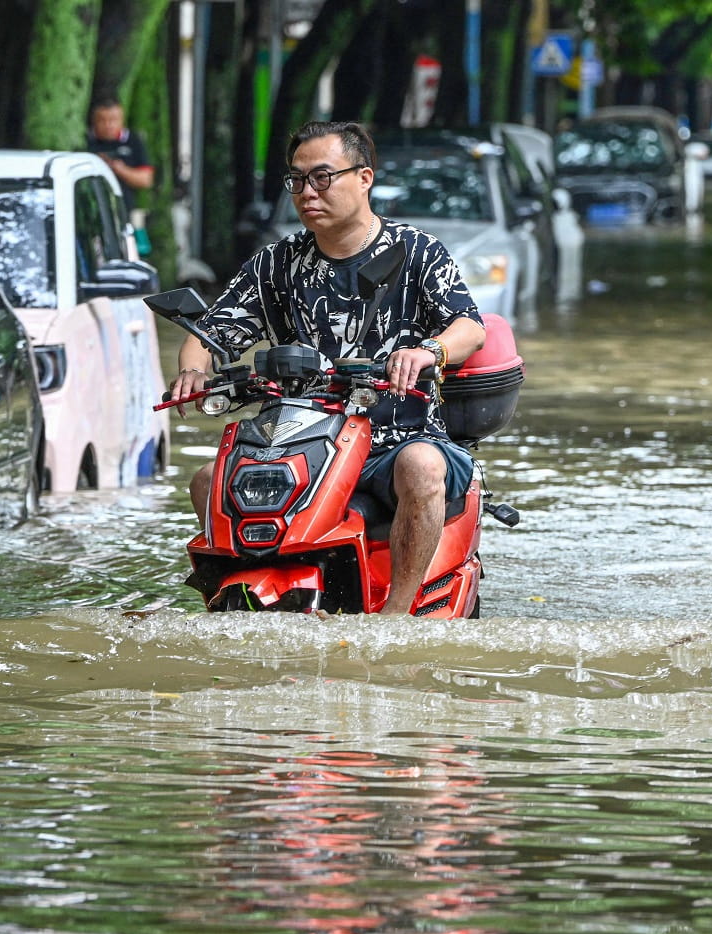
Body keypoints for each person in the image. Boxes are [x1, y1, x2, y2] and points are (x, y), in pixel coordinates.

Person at [169, 120, 488, 616]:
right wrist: (194, 369)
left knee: (422, 465)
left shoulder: (416, 251)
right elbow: (210, 334)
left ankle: (396, 620)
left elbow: (469, 327)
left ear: (364, 178)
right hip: (296, 442)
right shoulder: (275, 264)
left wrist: (427, 351)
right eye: (296, 180)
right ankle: (237, 604)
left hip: (394, 441)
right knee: (208, 479)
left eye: (322, 177)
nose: (306, 192)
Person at [85, 97, 153, 192]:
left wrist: (121, 170)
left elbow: (146, 180)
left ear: (122, 120)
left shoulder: (133, 140)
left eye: (113, 120)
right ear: (94, 121)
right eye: (102, 120)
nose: (108, 125)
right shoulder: (86, 141)